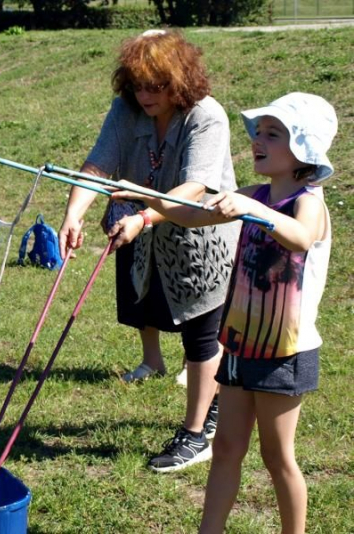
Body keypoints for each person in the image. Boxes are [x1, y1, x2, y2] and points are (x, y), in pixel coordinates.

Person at [112, 92, 336, 534]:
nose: (258, 141)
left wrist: (254, 209)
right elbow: (192, 216)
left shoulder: (307, 201)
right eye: (259, 133)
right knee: (229, 446)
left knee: (276, 457)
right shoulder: (255, 193)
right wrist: (148, 197)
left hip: (283, 352)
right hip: (237, 345)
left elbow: (301, 237)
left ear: (303, 151)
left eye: (274, 134)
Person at [59, 30, 239, 472]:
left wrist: (143, 216)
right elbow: (99, 164)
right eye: (138, 85)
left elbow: (195, 188)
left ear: (180, 80)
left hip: (202, 240)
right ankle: (207, 401)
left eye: (156, 86)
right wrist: (74, 213)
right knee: (153, 312)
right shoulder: (126, 110)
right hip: (146, 237)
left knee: (201, 339)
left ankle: (196, 436)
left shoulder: (206, 116)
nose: (145, 95)